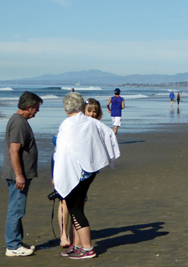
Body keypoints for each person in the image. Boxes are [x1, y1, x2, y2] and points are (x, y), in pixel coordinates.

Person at [54, 92, 118, 259]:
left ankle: (88, 248)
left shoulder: (68, 124)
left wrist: (58, 176)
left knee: (75, 209)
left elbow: (61, 153)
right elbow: (109, 134)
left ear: (65, 108)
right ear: (82, 107)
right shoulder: (89, 122)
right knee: (78, 208)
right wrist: (103, 156)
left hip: (77, 171)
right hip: (90, 171)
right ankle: (77, 245)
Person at [2, 91, 43, 256]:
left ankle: (16, 241)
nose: (37, 112)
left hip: (20, 174)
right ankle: (12, 246)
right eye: (36, 108)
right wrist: (19, 175)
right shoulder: (19, 123)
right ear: (28, 107)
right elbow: (14, 151)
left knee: (18, 208)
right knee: (16, 209)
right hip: (17, 176)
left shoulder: (20, 121)